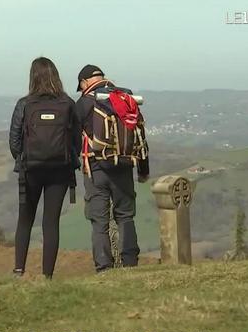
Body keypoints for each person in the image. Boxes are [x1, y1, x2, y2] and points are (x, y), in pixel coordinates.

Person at [9, 57, 81, 279]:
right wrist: (70, 160)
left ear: (32, 77)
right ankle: (46, 275)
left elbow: (14, 140)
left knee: (25, 219)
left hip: (30, 170)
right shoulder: (68, 104)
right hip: (59, 170)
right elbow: (76, 139)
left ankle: (19, 270)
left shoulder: (24, 104)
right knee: (51, 222)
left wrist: (22, 159)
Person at [75, 64, 150, 271]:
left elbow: (73, 137)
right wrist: (143, 170)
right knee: (125, 216)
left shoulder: (83, 103)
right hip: (124, 166)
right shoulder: (126, 98)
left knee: (99, 221)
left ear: (84, 83)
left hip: (96, 169)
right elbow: (139, 136)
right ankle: (131, 263)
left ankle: (104, 267)